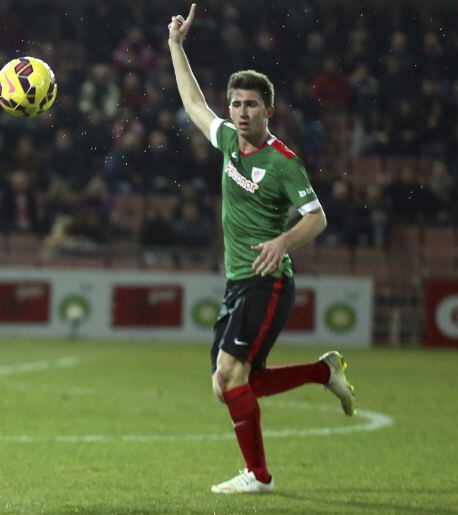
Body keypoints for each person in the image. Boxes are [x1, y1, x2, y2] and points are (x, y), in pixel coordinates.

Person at [168, 5, 357, 494]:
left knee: (230, 377)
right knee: (228, 383)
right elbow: (193, 105)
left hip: (268, 281)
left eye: (251, 104)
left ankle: (258, 476)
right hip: (239, 280)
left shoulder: (284, 163)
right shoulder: (229, 142)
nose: (240, 112)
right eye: (235, 103)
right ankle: (323, 370)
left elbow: (317, 218)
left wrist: (281, 240)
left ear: (268, 110)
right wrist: (175, 46)